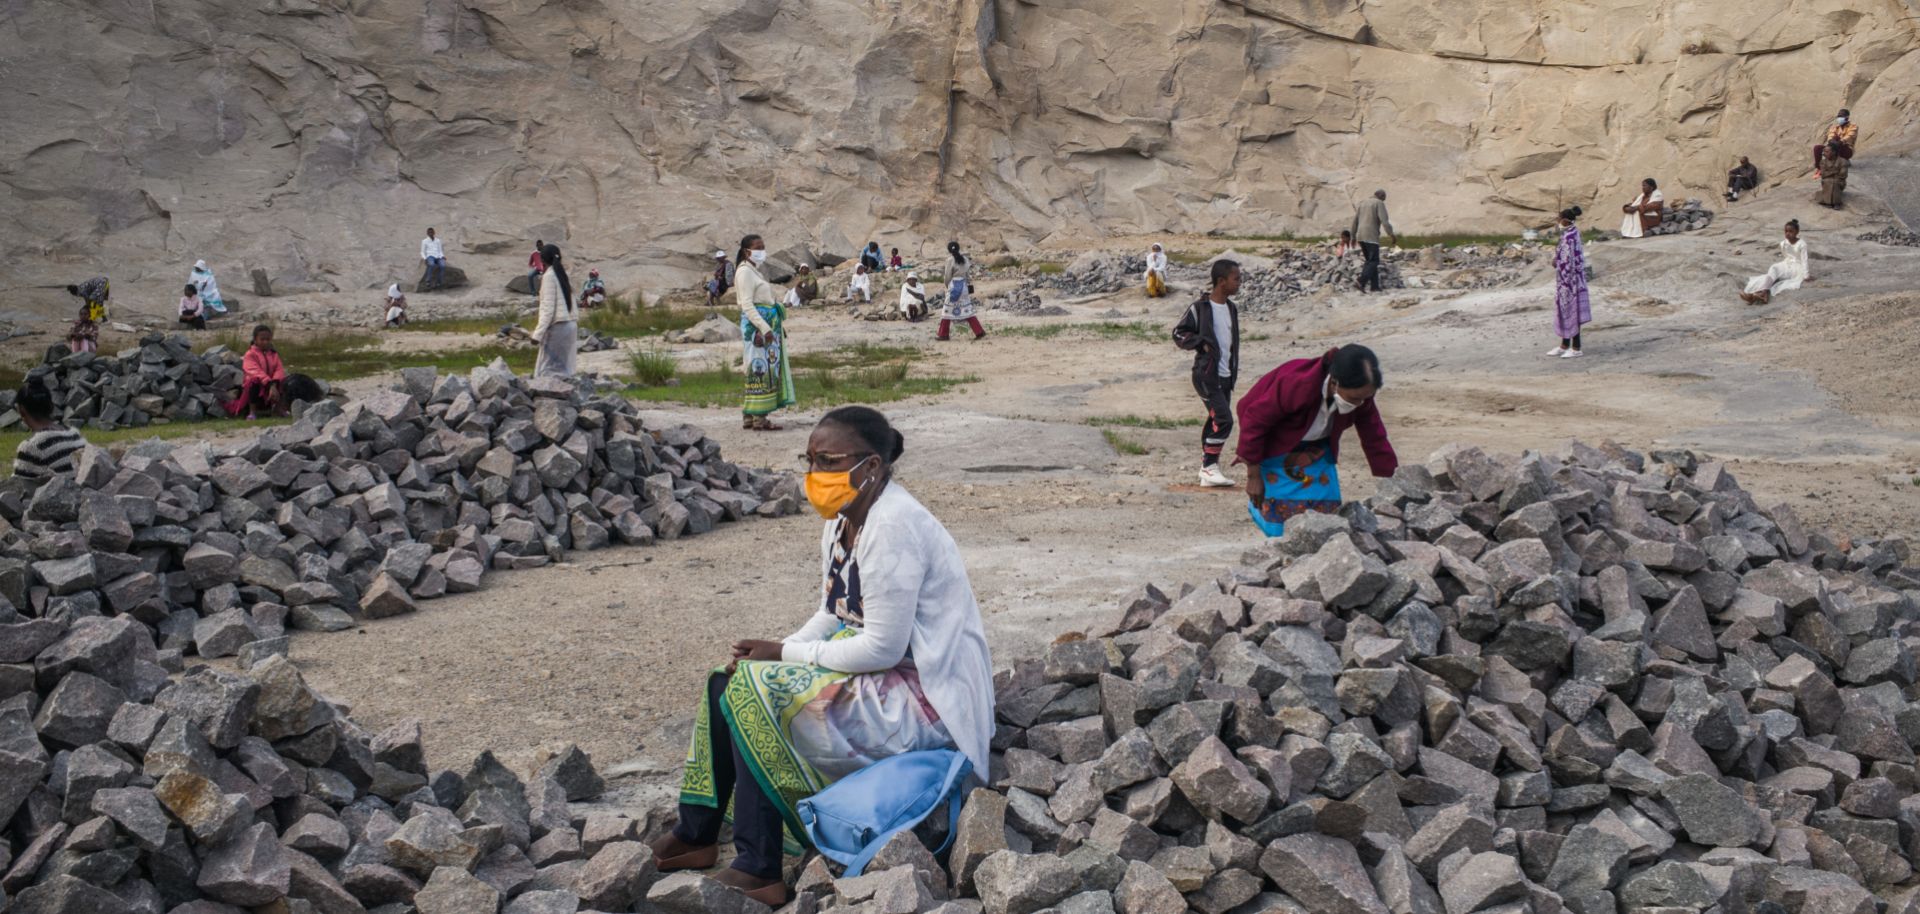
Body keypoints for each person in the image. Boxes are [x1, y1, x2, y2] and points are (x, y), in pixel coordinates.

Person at [650, 407, 994, 907]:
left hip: (926, 698)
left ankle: (758, 864)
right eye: (810, 461)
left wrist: (786, 654)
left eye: (829, 462)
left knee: (757, 693)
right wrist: (773, 655)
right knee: (729, 681)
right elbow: (832, 613)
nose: (816, 476)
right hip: (879, 675)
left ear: (871, 466)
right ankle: (697, 832)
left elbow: (883, 647)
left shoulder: (893, 526)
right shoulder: (843, 521)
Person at [1235, 344, 1397, 536]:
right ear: (1334, 383)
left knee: (1328, 518)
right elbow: (1255, 420)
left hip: (1317, 452)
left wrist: (1394, 481)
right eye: (1354, 398)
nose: (1359, 404)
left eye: (1364, 399)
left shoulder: (1361, 396)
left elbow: (1374, 434)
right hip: (1278, 448)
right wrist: (1253, 475)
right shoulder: (1296, 383)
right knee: (1282, 521)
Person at [1172, 260, 1241, 487]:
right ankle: (1209, 467)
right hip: (1205, 375)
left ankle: (1208, 471)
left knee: (1215, 419)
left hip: (1225, 376)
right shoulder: (1200, 308)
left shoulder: (1231, 308)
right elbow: (1178, 333)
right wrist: (1200, 344)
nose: (1239, 283)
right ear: (1221, 282)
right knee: (1224, 420)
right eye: (1236, 279)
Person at [736, 234, 794, 430]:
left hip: (765, 325)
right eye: (758, 247)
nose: (762, 251)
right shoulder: (744, 272)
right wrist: (765, 328)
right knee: (760, 369)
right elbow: (747, 304)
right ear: (747, 251)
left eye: (763, 247)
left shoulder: (753, 271)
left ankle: (750, 416)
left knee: (759, 369)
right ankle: (760, 419)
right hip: (757, 328)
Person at [11, 380, 85, 480]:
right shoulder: (74, 435)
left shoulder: (33, 447)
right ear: (51, 406)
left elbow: (17, 490)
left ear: (21, 410)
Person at [1547, 207, 1590, 359]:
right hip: (1565, 282)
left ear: (1565, 220)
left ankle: (1576, 347)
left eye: (1559, 218)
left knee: (1573, 312)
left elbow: (1568, 259)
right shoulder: (1569, 233)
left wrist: (1556, 262)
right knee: (1565, 311)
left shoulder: (1570, 236)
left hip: (1572, 282)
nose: (1558, 221)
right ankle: (1564, 345)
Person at [531, 244, 578, 378]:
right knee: (565, 367)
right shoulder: (562, 274)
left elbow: (548, 309)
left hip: (559, 327)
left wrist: (537, 335)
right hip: (571, 325)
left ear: (543, 260)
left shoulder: (549, 277)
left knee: (546, 368)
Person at [225, 325, 287, 419]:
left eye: (268, 339)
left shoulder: (274, 354)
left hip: (271, 386)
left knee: (285, 380)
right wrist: (270, 384)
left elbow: (279, 370)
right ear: (255, 340)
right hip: (257, 388)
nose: (265, 342)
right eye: (262, 339)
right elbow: (254, 371)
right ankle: (252, 412)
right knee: (253, 381)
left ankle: (278, 408)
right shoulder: (250, 354)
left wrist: (274, 383)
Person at [1740, 220, 1808, 305]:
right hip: (1787, 264)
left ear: (1797, 232)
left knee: (1776, 276)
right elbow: (1786, 256)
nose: (1788, 233)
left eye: (1791, 231)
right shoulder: (1783, 243)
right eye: (1786, 231)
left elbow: (1804, 260)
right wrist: (1785, 265)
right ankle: (1762, 294)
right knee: (1774, 268)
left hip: (1797, 267)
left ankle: (1759, 295)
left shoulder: (1802, 244)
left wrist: (1806, 275)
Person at [937, 241, 986, 341]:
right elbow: (968, 275)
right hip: (963, 285)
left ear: (949, 250)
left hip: (954, 286)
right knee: (967, 309)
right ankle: (979, 331)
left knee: (947, 310)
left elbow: (947, 276)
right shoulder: (965, 259)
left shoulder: (950, 260)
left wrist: (947, 286)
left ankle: (943, 334)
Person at [1350, 190, 1397, 292]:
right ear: (1382, 196)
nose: (1384, 200)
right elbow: (1385, 222)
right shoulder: (1379, 203)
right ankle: (1361, 281)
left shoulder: (1362, 203)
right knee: (1374, 261)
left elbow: (1355, 222)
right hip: (1371, 236)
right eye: (1384, 198)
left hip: (1360, 236)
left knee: (1370, 261)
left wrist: (1353, 236)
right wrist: (1391, 235)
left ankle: (1374, 287)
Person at [1817, 141, 1850, 208]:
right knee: (1828, 181)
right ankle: (1832, 202)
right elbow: (1823, 174)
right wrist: (1834, 172)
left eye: (1827, 152)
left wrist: (1829, 173)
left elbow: (1843, 175)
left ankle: (1834, 202)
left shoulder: (1843, 161)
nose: (1824, 154)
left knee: (1834, 182)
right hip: (1826, 182)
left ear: (1834, 152)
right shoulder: (1823, 162)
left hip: (1839, 183)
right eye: (1824, 151)